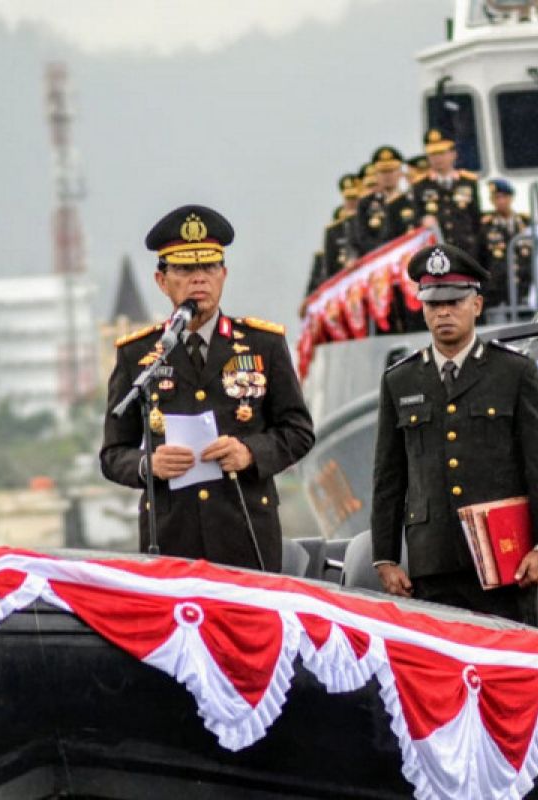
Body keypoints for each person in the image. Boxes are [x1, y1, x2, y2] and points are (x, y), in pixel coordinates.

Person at [101, 205, 316, 572]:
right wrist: (148, 464)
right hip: (171, 536)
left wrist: (250, 452)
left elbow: (298, 432)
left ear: (224, 274)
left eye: (209, 267)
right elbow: (112, 454)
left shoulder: (263, 344)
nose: (199, 278)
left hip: (245, 531)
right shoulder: (138, 354)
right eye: (185, 269)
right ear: (162, 280)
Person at [370, 243, 538, 624]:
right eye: (433, 304)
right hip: (432, 560)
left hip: (505, 559)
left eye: (455, 302)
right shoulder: (401, 379)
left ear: (476, 305)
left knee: (508, 669)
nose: (443, 312)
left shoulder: (514, 372)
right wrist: (386, 557)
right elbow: (389, 477)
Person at [412, 129, 482, 259]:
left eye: (442, 153)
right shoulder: (420, 185)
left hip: (465, 250)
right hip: (436, 254)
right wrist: (423, 220)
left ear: (453, 154)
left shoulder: (468, 181)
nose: (437, 159)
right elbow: (415, 218)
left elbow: (475, 218)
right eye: (433, 154)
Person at [480, 178, 534, 313]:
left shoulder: (525, 222)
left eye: (504, 197)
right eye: (496, 198)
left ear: (511, 198)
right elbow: (480, 256)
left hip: (524, 285)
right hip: (498, 288)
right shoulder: (486, 225)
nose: (501, 201)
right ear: (491, 200)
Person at [354, 146, 417, 257]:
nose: (388, 176)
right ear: (376, 175)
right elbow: (362, 238)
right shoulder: (366, 205)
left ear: (400, 173)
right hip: (380, 261)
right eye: (383, 172)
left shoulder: (411, 200)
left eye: (392, 171)